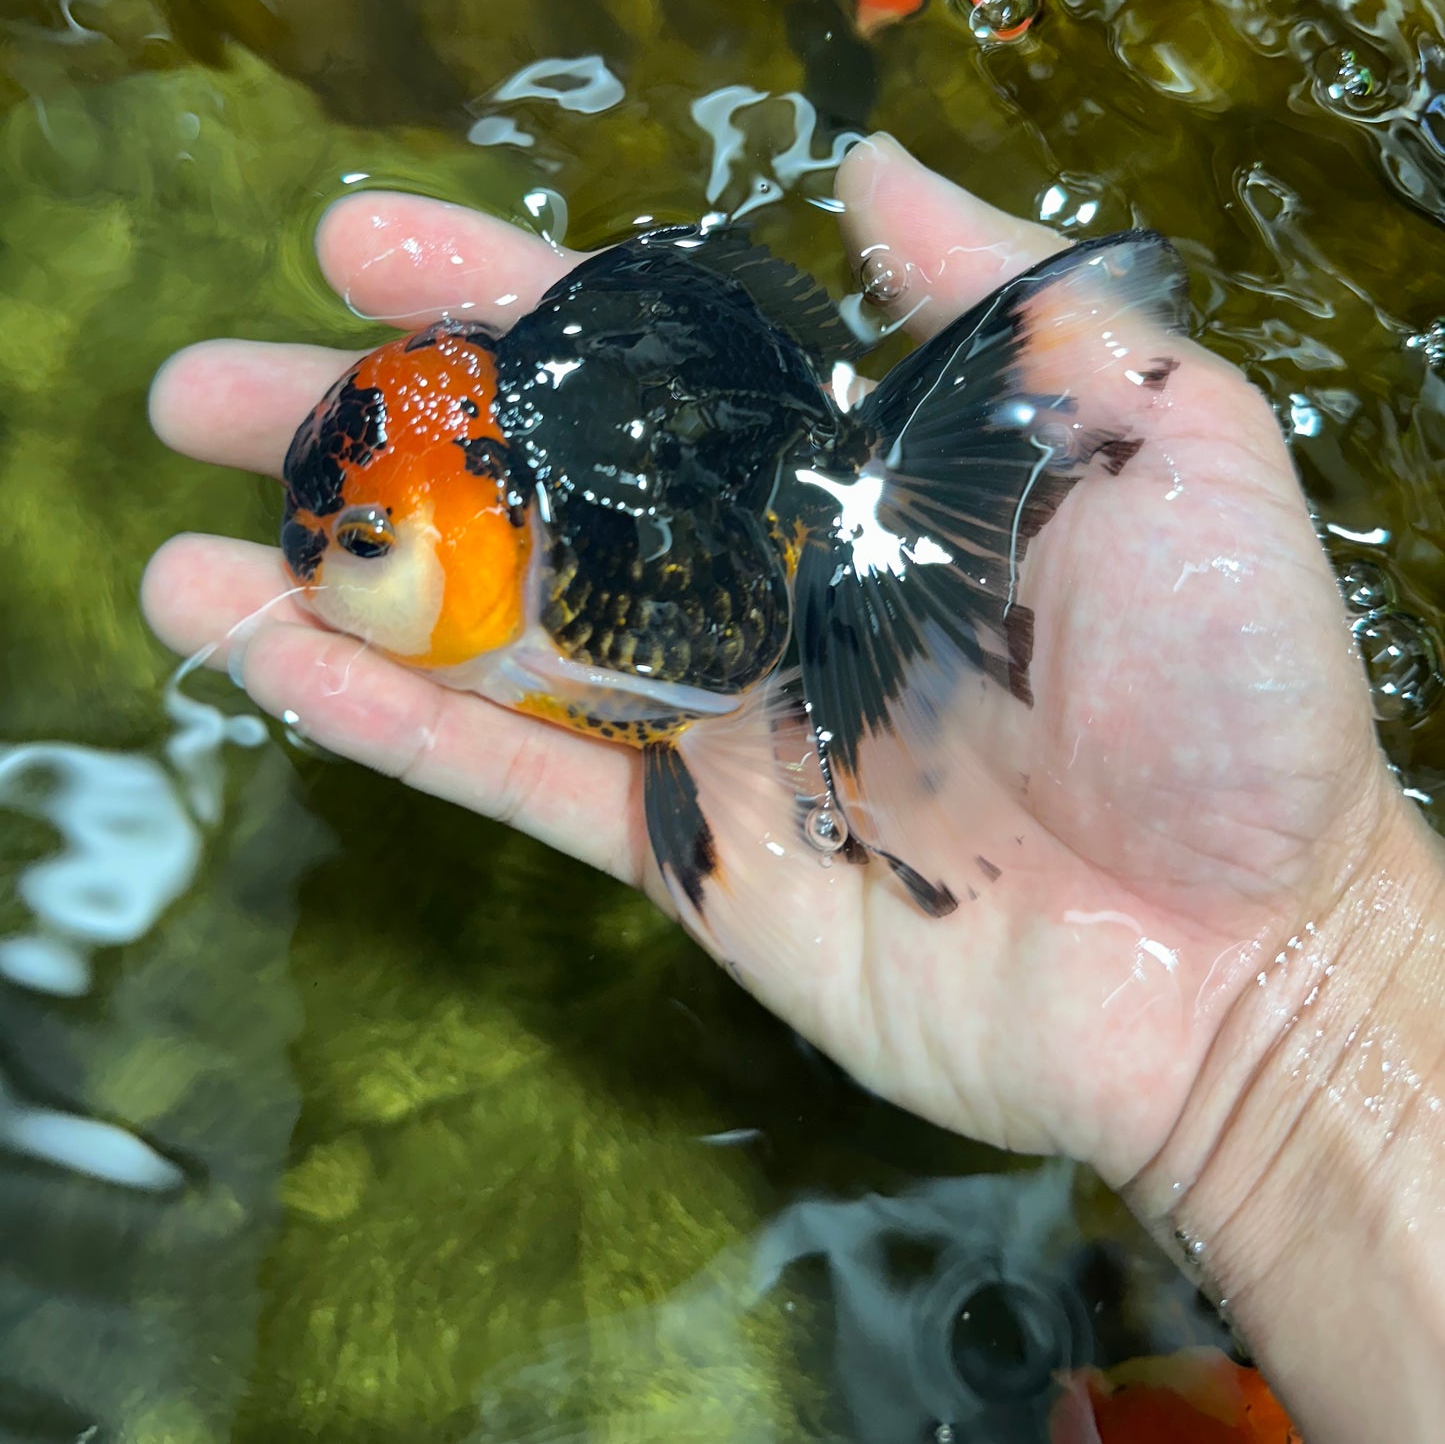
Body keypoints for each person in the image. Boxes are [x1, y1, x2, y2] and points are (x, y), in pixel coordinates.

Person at [142, 135, 1445, 1441]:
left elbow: (671, 653)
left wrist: (1292, 997)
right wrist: (1291, 1031)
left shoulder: (588, 562)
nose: (329, 573)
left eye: (364, 545)